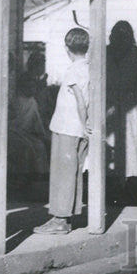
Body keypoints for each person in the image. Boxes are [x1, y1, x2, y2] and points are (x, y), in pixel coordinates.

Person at [33, 28, 90, 235]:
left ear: (67, 48)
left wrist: (84, 125)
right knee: (72, 172)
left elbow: (80, 102)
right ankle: (66, 216)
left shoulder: (74, 70)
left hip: (68, 127)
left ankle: (59, 219)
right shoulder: (89, 68)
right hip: (76, 129)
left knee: (62, 173)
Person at [105, 21, 137, 205]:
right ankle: (128, 193)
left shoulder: (105, 53)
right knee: (132, 148)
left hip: (114, 106)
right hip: (128, 106)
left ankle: (116, 192)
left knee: (116, 147)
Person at [8, 70, 50, 196]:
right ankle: (27, 179)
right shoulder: (16, 100)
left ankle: (39, 177)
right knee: (31, 147)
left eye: (34, 87)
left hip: (24, 132)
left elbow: (36, 122)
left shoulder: (32, 101)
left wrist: (42, 135)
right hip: (13, 131)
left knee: (39, 145)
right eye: (29, 86)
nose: (32, 89)